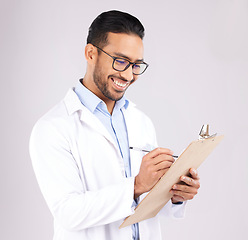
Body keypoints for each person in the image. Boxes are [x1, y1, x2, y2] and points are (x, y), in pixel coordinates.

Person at [29, 10, 200, 240]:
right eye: (120, 61)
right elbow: (68, 212)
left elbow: (145, 203)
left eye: (136, 65)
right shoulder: (53, 128)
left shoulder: (141, 122)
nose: (129, 75)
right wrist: (136, 184)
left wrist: (175, 194)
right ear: (91, 53)